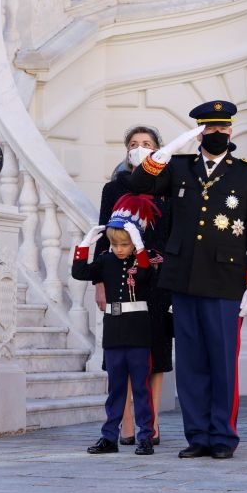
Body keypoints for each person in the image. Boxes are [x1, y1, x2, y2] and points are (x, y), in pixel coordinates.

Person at [128, 100, 247, 460]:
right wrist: (169, 149)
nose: (218, 134)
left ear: (231, 131)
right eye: (210, 130)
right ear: (199, 134)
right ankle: (197, 436)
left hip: (225, 282)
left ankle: (222, 436)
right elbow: (138, 183)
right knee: (190, 363)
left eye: (223, 129)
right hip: (184, 280)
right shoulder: (178, 168)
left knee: (222, 361)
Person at [96, 126, 172, 446]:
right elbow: (102, 236)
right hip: (120, 282)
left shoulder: (168, 186)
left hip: (156, 279)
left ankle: (149, 423)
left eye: (147, 144)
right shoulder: (113, 189)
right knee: (122, 354)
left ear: (158, 149)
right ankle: (126, 424)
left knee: (155, 351)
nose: (140, 148)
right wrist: (99, 282)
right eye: (134, 144)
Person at [73, 217, 157, 456]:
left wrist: (139, 246)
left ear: (133, 244)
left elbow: (144, 277)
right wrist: (85, 244)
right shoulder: (106, 260)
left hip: (138, 331)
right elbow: (79, 272)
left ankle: (145, 437)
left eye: (125, 245)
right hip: (114, 330)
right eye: (116, 244)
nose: (119, 250)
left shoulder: (142, 262)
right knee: (116, 389)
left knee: (141, 388)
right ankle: (109, 437)